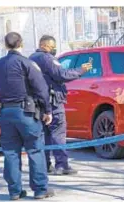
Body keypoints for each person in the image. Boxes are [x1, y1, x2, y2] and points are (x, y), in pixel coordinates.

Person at [0, 32, 55, 200]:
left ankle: (15, 191)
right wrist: (47, 111)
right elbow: (41, 90)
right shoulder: (27, 63)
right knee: (35, 150)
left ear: (5, 45)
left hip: (5, 113)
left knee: (10, 153)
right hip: (27, 113)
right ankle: (39, 189)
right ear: (21, 44)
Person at [29, 35, 92, 175]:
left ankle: (45, 165)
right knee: (58, 133)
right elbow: (61, 74)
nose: (54, 49)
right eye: (52, 47)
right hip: (53, 102)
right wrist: (81, 70)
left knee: (43, 136)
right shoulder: (46, 58)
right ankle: (62, 165)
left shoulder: (31, 58)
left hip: (38, 102)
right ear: (44, 45)